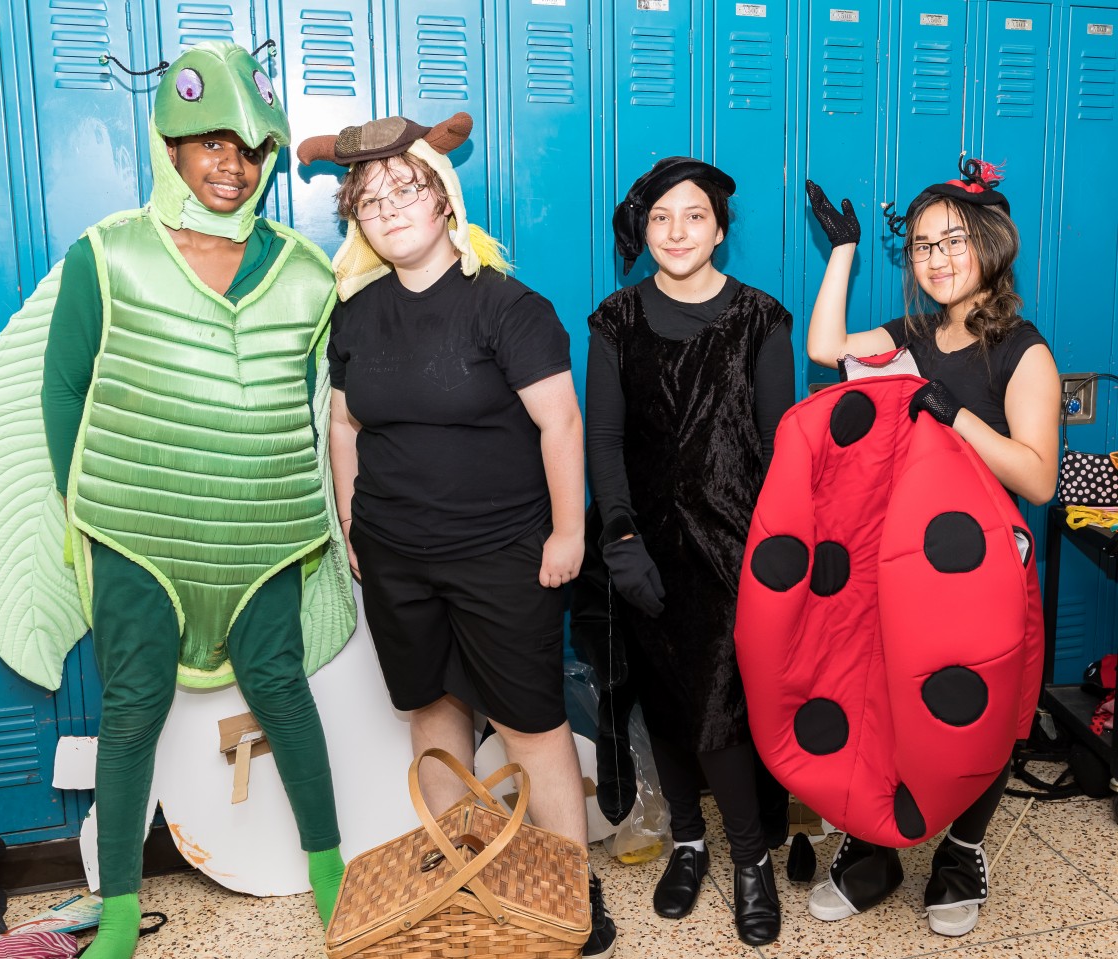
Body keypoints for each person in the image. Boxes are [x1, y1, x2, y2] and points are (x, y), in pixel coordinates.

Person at [38, 42, 352, 958]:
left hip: (263, 535)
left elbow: (318, 397)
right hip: (138, 531)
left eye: (250, 149)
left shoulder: (304, 270)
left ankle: (330, 868)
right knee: (131, 706)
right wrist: (85, 510)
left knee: (284, 693)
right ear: (169, 146)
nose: (232, 165)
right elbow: (64, 390)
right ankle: (125, 907)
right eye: (210, 143)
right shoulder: (107, 255)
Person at [297, 112, 616, 959]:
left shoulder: (509, 307)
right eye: (370, 198)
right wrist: (354, 526)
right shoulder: (356, 315)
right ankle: (462, 868)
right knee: (432, 711)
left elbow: (561, 424)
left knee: (529, 724)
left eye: (408, 189)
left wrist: (568, 532)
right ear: (357, 221)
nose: (390, 206)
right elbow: (344, 426)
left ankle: (566, 886)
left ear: (445, 201)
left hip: (504, 554)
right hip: (397, 558)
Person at [803, 158, 1060, 936]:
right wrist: (842, 251)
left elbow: (1040, 479)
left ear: (989, 244)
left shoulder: (1024, 350)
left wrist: (957, 419)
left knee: (975, 709)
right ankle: (875, 844)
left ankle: (961, 847)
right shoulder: (911, 332)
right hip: (902, 561)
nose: (936, 258)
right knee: (883, 694)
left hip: (983, 572)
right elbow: (823, 349)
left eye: (952, 241)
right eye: (919, 246)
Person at [586, 156, 795, 946]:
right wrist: (620, 534)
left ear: (719, 228)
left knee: (719, 709)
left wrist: (780, 554)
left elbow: (783, 448)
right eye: (662, 217)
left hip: (737, 548)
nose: (677, 232)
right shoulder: (616, 320)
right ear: (644, 228)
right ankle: (689, 841)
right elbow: (603, 442)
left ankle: (750, 861)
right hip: (645, 549)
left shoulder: (760, 320)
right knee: (665, 699)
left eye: (695, 216)